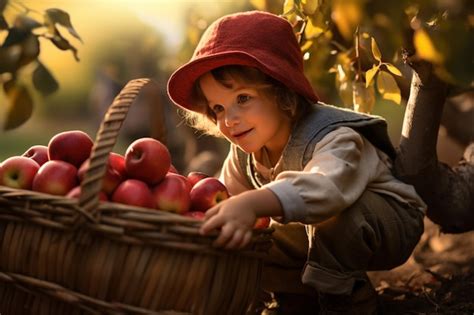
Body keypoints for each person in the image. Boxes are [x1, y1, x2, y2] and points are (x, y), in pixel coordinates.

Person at [167, 10, 426, 315]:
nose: (229, 120)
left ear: (281, 89)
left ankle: (347, 300)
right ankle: (296, 297)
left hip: (386, 223)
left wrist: (252, 203)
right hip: (316, 232)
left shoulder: (334, 136)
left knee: (336, 219)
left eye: (243, 99)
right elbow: (230, 200)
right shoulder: (245, 153)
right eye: (218, 108)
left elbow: (326, 188)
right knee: (261, 241)